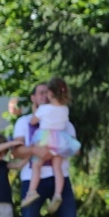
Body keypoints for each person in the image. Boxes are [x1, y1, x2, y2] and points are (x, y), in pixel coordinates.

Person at [11, 82, 90, 217]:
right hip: (31, 177)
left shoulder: (64, 121)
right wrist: (35, 150)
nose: (44, 96)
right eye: (40, 93)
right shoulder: (23, 122)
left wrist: (55, 150)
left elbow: (75, 149)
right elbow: (16, 151)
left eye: (47, 92)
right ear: (33, 98)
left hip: (59, 177)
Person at [20, 77, 82, 210]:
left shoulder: (44, 109)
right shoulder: (65, 109)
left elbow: (33, 121)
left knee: (36, 165)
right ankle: (58, 194)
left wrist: (36, 112)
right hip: (60, 140)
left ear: (50, 93)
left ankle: (31, 192)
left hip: (45, 138)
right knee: (57, 168)